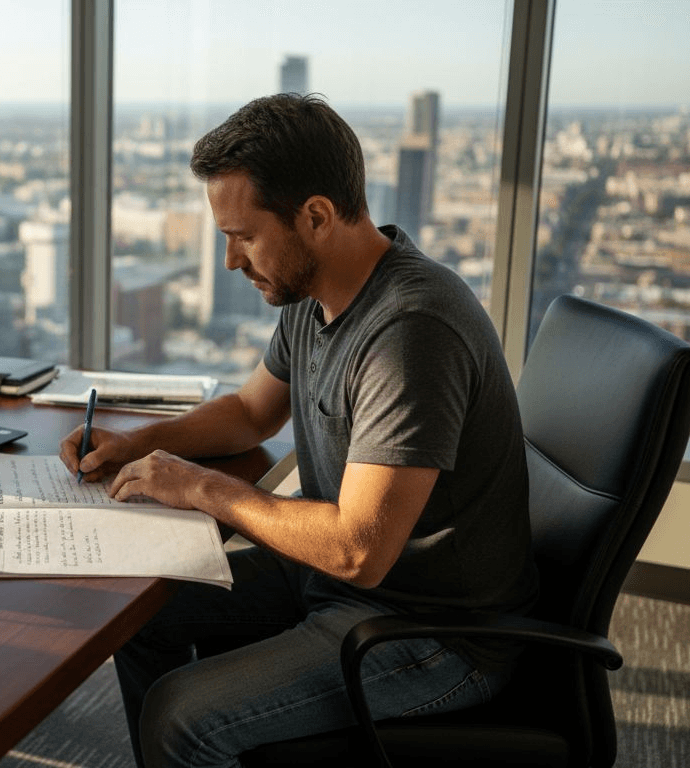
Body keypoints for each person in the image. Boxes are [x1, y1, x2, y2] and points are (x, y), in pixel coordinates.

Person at [59, 93, 539, 768]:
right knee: (138, 612)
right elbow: (253, 412)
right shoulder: (316, 296)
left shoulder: (410, 332)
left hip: (430, 633)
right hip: (336, 588)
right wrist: (135, 444)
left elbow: (357, 551)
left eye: (243, 236)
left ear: (316, 217)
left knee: (181, 717)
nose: (231, 261)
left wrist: (200, 488)